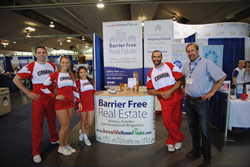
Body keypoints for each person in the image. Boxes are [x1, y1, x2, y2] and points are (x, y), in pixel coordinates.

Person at [182, 43, 226, 167]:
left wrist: (212, 92)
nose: (190, 53)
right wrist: (185, 88)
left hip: (202, 102)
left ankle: (207, 156)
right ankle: (196, 150)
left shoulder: (206, 63)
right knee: (193, 128)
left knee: (205, 130)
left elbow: (222, 77)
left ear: (197, 50)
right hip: (189, 101)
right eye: (188, 51)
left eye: (192, 50)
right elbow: (184, 78)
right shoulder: (186, 65)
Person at [13, 46, 59, 163]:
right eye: (39, 53)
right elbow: (16, 79)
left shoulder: (52, 66)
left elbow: (54, 81)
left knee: (52, 120)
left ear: (47, 53)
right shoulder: (31, 66)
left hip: (50, 97)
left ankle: (54, 139)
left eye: (43, 52)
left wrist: (54, 92)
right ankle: (36, 152)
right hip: (38, 98)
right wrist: (28, 93)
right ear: (35, 54)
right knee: (37, 125)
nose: (41, 54)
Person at [41, 55, 82, 156]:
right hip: (60, 104)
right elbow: (43, 87)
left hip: (70, 103)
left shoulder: (71, 74)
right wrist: (54, 96)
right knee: (64, 126)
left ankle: (65, 144)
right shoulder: (55, 75)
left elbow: (74, 89)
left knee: (67, 126)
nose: (65, 64)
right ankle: (61, 147)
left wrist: (79, 101)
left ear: (69, 63)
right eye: (63, 62)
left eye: (67, 62)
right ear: (59, 63)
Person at [147, 50, 186, 153]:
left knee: (176, 121)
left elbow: (181, 80)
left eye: (158, 57)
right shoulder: (151, 73)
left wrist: (170, 91)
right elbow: (149, 90)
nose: (156, 59)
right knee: (167, 121)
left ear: (161, 57)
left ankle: (171, 141)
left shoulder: (170, 66)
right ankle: (179, 137)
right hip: (164, 98)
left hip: (176, 95)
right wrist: (161, 93)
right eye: (154, 57)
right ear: (152, 58)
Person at [75, 66, 98, 145]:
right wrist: (76, 107)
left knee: (90, 123)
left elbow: (93, 89)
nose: (83, 74)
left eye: (84, 72)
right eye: (81, 72)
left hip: (90, 104)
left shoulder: (91, 80)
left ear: (87, 72)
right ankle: (85, 138)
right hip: (82, 104)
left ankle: (82, 131)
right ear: (79, 74)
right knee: (83, 122)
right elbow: (76, 95)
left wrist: (95, 92)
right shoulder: (77, 82)